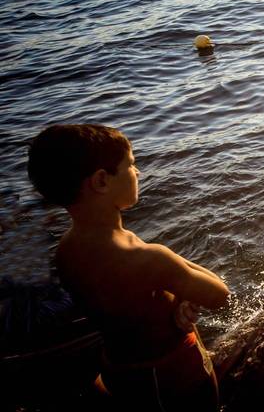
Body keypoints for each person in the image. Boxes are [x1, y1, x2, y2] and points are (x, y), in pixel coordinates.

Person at [27, 124, 229, 411]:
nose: (138, 173)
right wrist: (169, 262)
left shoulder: (66, 250)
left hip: (119, 369)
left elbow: (130, 303)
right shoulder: (148, 258)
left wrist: (177, 294)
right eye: (131, 165)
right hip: (173, 374)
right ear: (101, 181)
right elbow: (219, 294)